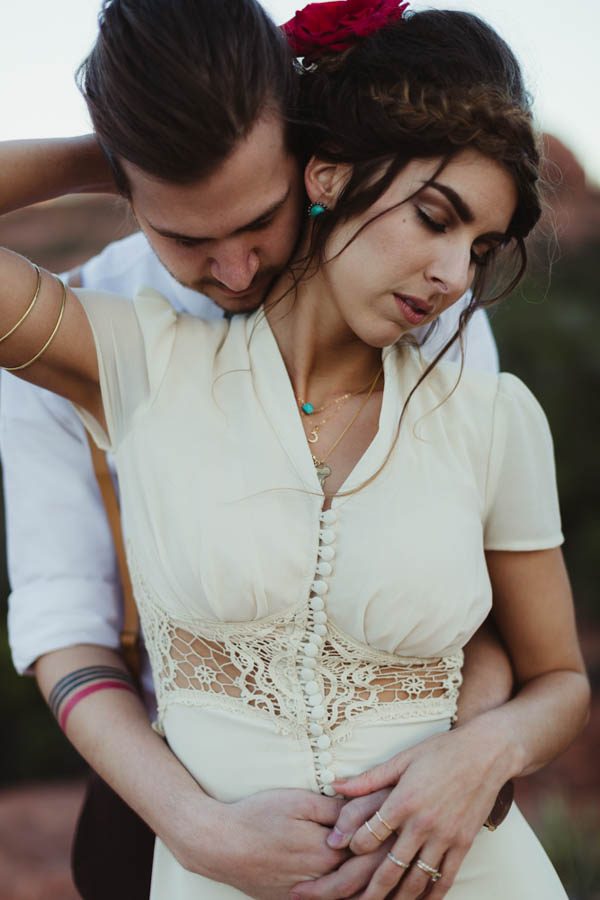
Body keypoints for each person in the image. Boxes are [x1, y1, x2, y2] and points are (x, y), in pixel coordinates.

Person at [0, 2, 589, 899]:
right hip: (206, 849)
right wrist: (124, 150)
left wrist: (473, 757)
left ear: (309, 174)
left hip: (456, 867)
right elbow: (63, 622)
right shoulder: (125, 353)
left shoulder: (468, 376)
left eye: (478, 246)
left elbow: (533, 659)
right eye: (186, 234)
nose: (456, 274)